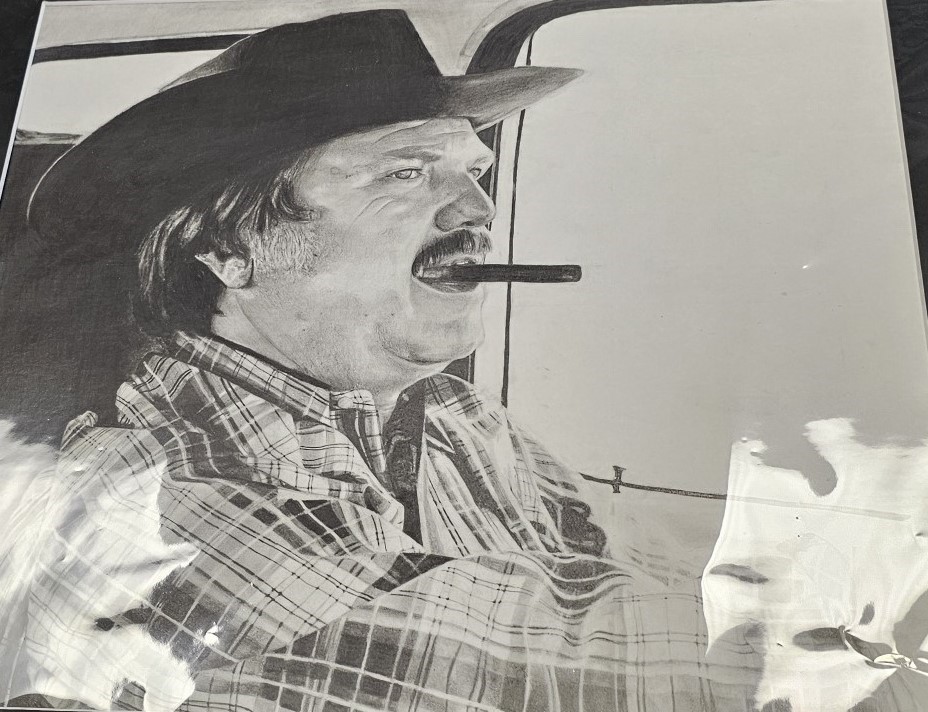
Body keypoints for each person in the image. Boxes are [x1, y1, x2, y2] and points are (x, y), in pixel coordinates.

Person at [2, 10, 753, 711]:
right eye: (406, 172)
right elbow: (561, 672)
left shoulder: (459, 418)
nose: (478, 210)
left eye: (474, 172)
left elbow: (616, 560)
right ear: (229, 247)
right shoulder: (160, 490)